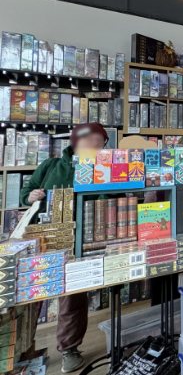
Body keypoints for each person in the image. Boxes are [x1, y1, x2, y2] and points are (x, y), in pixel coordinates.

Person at [20, 123, 109, 373]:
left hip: (78, 239)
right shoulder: (50, 166)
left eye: (99, 140)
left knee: (72, 296)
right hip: (43, 238)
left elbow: (109, 201)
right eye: (88, 138)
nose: (93, 143)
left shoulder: (105, 167)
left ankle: (69, 348)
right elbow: (25, 193)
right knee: (29, 294)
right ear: (74, 141)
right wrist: (30, 196)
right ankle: (17, 350)